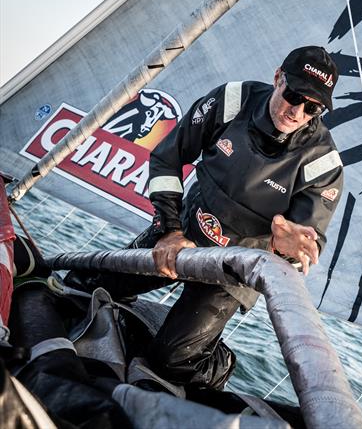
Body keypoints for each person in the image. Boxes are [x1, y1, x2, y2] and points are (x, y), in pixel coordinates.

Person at [71, 46, 343, 390]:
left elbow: (306, 242)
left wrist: (286, 247)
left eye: (313, 107)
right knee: (88, 284)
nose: (298, 111)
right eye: (293, 95)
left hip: (233, 270)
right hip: (183, 233)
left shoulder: (324, 163)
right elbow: (168, 159)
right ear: (278, 78)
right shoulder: (231, 101)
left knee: (171, 361)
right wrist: (169, 230)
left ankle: (219, 361)